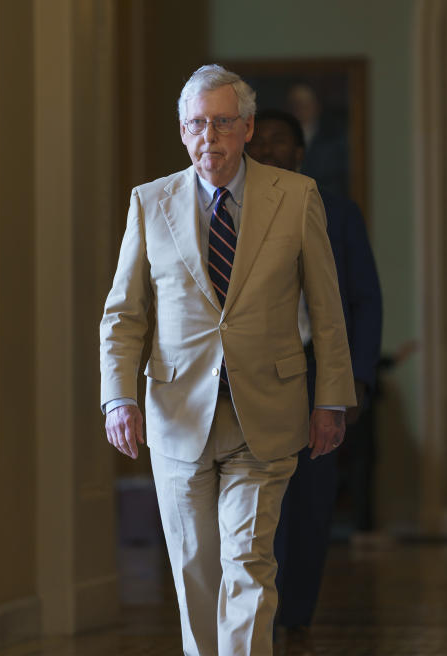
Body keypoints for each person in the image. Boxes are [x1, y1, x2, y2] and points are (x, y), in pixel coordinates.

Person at [99, 65, 356, 656]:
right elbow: (124, 314)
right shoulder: (150, 202)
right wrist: (119, 397)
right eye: (195, 125)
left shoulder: (295, 197)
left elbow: (327, 307)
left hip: (264, 413)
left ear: (247, 128)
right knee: (196, 570)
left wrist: (331, 400)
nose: (207, 137)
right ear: (182, 132)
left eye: (221, 123)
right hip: (175, 414)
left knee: (248, 562)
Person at [245, 109, 382, 647]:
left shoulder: (337, 212)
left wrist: (356, 382)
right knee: (252, 500)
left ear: (300, 155)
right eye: (264, 142)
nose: (271, 151)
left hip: (314, 375)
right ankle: (253, 612)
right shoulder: (230, 210)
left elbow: (364, 301)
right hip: (250, 375)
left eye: (283, 143)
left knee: (309, 501)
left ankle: (295, 614)